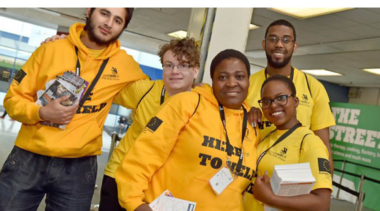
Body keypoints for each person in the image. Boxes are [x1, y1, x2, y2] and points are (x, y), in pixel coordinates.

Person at [0, 8, 147, 211]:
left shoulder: (126, 65)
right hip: (28, 158)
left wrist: (196, 88)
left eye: (118, 20)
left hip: (79, 167)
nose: (109, 23)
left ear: (124, 26)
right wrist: (40, 113)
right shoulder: (50, 49)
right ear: (89, 11)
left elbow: (155, 95)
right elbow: (12, 99)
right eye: (104, 13)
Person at [116, 49, 259, 211]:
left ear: (248, 81)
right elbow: (144, 155)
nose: (231, 83)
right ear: (212, 81)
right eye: (223, 77)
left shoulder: (251, 124)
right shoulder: (186, 104)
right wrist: (135, 203)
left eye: (239, 77)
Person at [100, 37, 200, 211]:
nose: (174, 71)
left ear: (196, 71)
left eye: (183, 65)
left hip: (163, 187)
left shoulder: (202, 104)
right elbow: (104, 84)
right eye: (168, 65)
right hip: (121, 175)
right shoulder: (145, 90)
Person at [246, 19, 335, 172]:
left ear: (294, 46)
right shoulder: (247, 85)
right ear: (264, 44)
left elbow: (323, 145)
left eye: (286, 40)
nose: (279, 44)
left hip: (294, 179)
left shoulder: (313, 87)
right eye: (273, 39)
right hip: (251, 175)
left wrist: (324, 185)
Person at [244, 75, 332, 211]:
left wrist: (271, 199)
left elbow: (322, 202)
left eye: (281, 98)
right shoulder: (268, 136)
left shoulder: (309, 142)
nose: (273, 105)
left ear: (296, 101)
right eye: (266, 101)